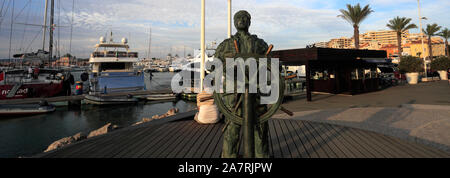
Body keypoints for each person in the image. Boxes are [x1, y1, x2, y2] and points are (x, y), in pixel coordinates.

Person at [215, 10, 270, 158]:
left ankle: (261, 157)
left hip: (256, 91)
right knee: (232, 127)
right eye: (238, 17)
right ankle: (229, 157)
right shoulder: (225, 45)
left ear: (249, 22)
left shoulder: (260, 44)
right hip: (233, 94)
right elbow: (214, 65)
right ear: (234, 22)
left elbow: (269, 65)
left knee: (260, 125)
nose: (241, 19)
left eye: (245, 17)